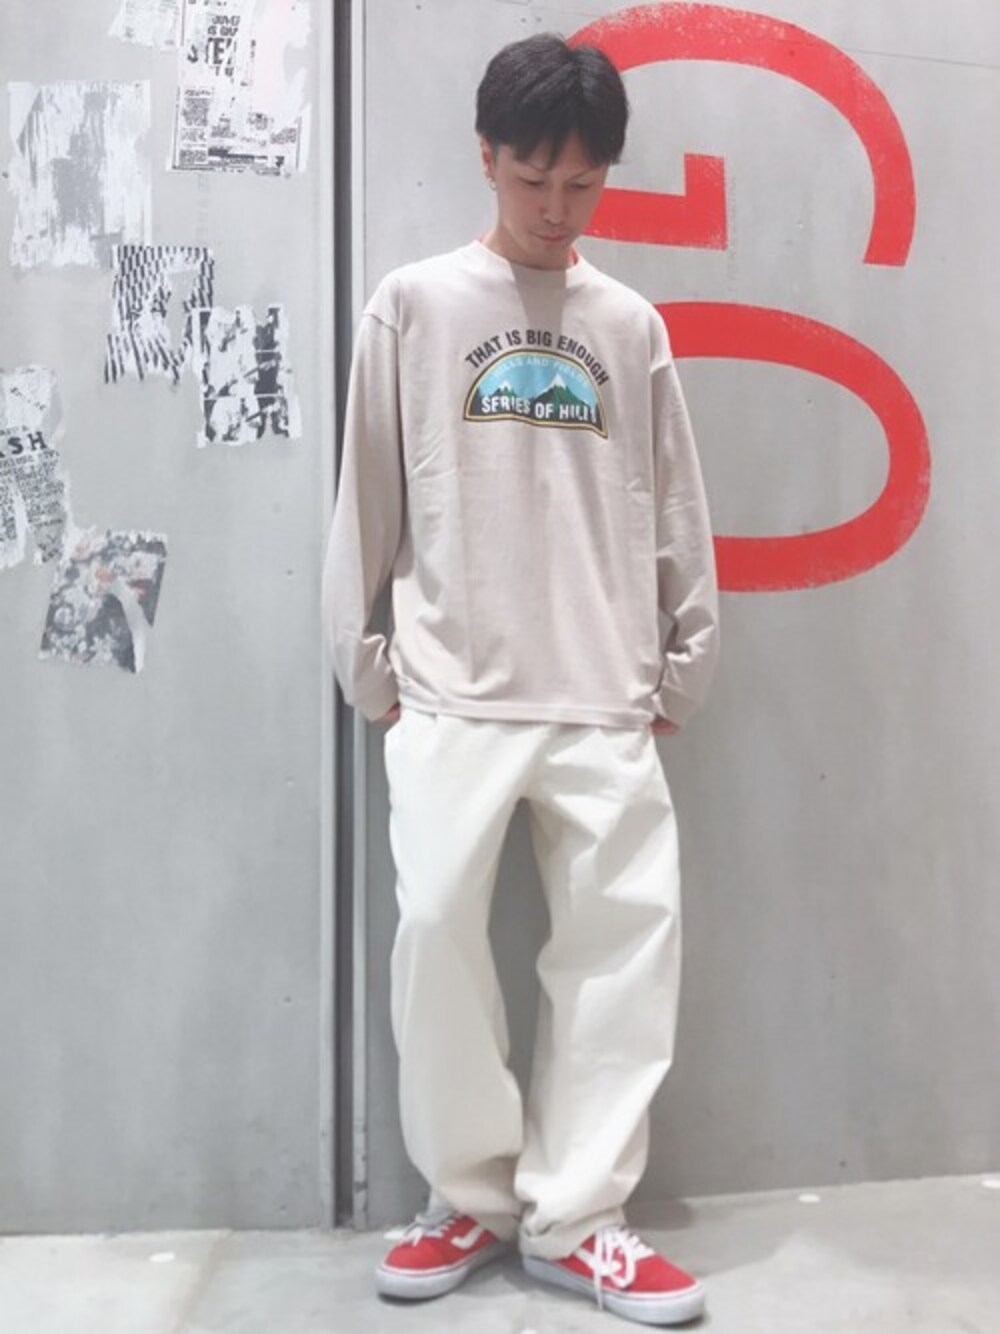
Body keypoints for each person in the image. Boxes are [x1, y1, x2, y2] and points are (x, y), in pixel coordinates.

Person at [322, 31, 719, 1327]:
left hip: (605, 691)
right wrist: (366, 664)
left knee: (620, 958)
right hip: (452, 686)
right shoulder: (415, 306)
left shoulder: (630, 325)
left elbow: (676, 504)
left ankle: (578, 1216)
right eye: (533, 179)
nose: (557, 209)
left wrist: (684, 663)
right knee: (437, 935)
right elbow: (368, 496)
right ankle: (469, 1197)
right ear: (486, 156)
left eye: (582, 185)